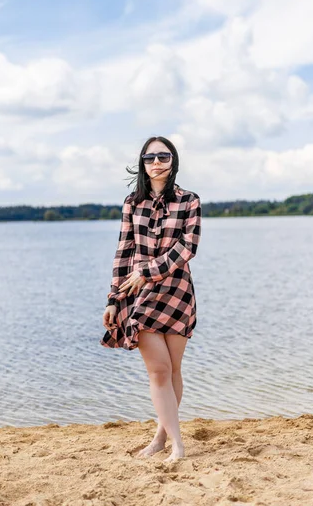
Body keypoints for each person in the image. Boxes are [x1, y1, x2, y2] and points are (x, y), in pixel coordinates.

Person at [100, 136, 202, 462]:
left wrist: (149, 270)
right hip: (140, 294)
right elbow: (123, 251)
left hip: (177, 291)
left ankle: (161, 436)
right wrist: (114, 299)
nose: (156, 162)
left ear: (173, 161)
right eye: (150, 157)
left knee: (173, 370)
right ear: (142, 163)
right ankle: (178, 445)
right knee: (158, 371)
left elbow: (188, 248)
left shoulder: (189, 201)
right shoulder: (132, 203)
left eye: (163, 156)